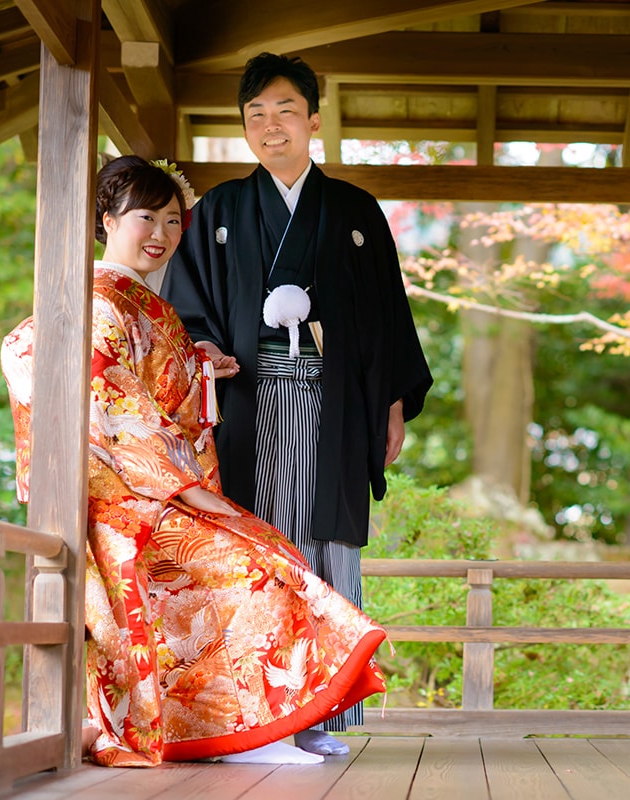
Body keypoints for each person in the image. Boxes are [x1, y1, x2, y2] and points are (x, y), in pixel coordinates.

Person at [1, 156, 388, 768]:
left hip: (154, 495)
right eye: (144, 217)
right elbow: (106, 409)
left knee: (275, 554)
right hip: (126, 505)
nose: (160, 233)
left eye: (174, 221)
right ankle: (240, 732)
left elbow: (160, 394)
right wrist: (187, 490)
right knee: (253, 566)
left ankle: (242, 729)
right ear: (107, 221)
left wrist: (199, 363)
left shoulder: (143, 304)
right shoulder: (99, 301)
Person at [161, 53, 432, 755]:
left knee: (326, 551)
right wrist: (207, 353)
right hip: (249, 407)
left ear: (314, 120)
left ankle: (320, 717)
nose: (270, 126)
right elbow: (186, 312)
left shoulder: (354, 213)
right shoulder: (217, 211)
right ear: (245, 127)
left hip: (334, 408)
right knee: (256, 553)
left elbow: (386, 318)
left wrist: (393, 403)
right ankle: (256, 719)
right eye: (256, 115)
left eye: (285, 111)